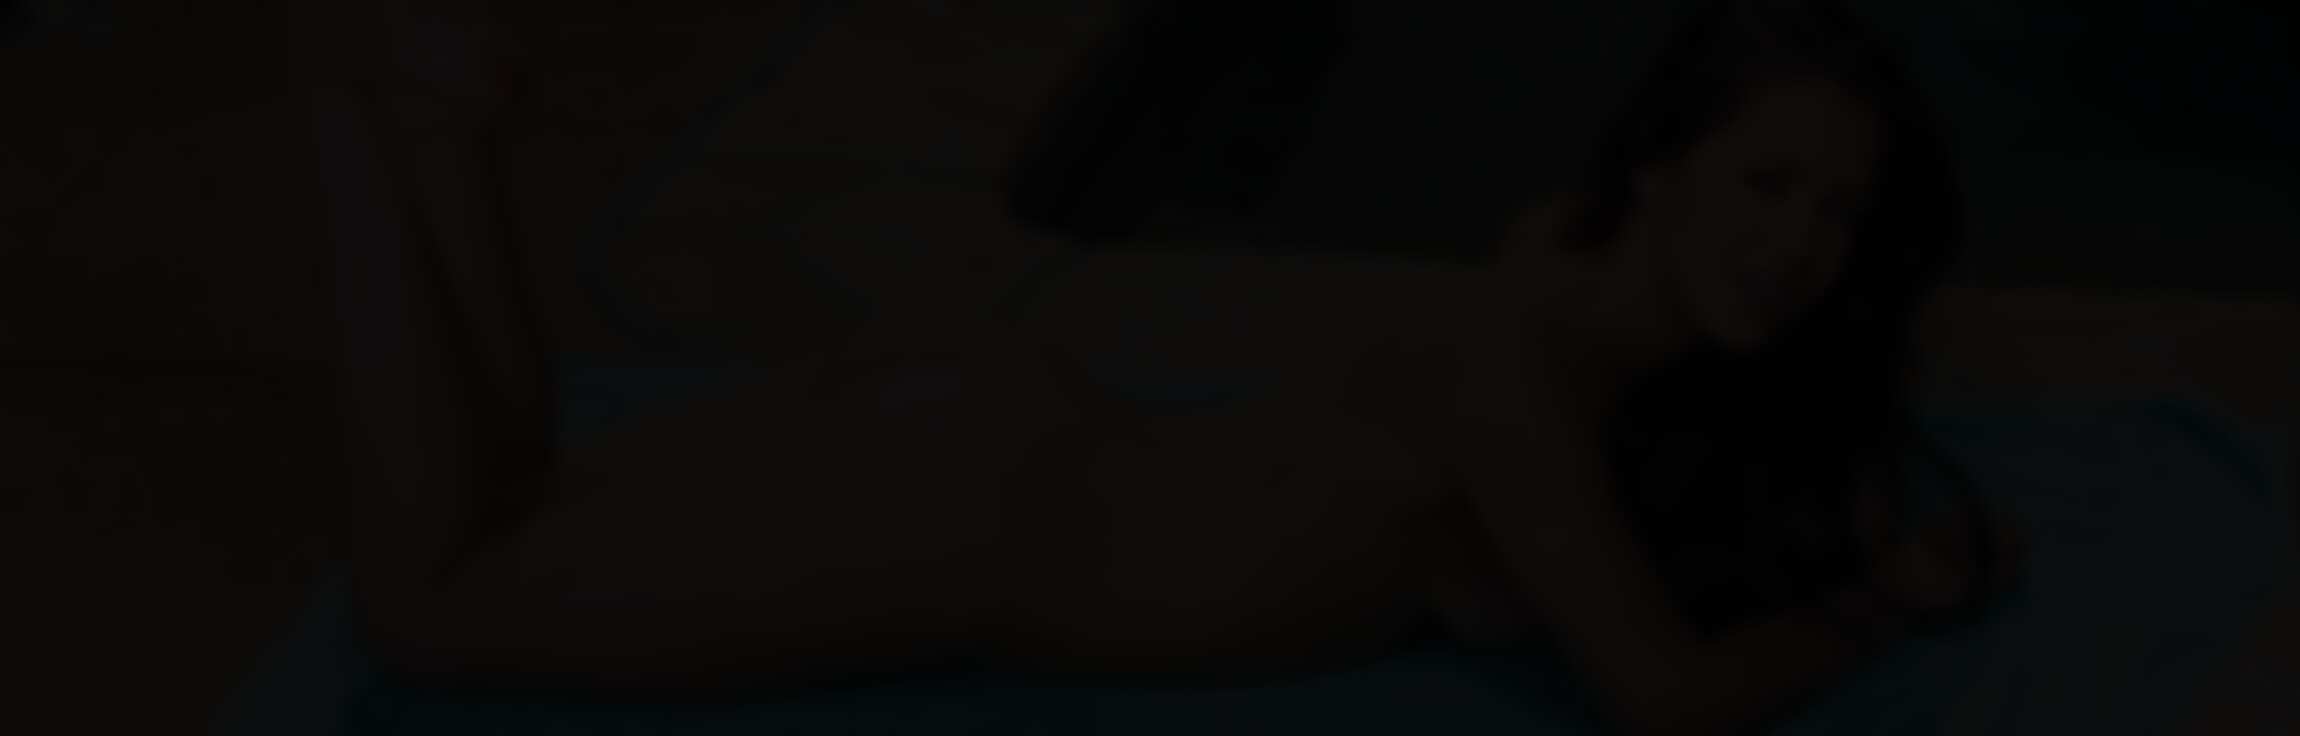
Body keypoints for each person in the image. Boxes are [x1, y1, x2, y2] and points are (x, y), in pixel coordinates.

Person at [331, 2, 2018, 735]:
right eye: (1765, 187)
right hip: (969, 527)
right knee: (436, 606)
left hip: (1010, 448)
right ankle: (367, 122)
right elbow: (1660, 702)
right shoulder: (1518, 377)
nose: (1799, 245)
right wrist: (1864, 609)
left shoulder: (1559, 262)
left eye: (1837, 212)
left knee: (515, 515)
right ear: (1660, 169)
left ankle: (444, 138)